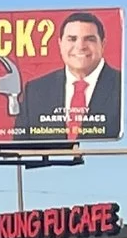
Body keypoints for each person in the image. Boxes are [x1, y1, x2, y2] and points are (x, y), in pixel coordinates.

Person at [13, 11, 120, 143]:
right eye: (72, 39)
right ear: (60, 44)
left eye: (89, 39)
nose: (80, 46)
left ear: (102, 44)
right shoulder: (36, 90)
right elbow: (20, 144)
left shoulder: (121, 86)